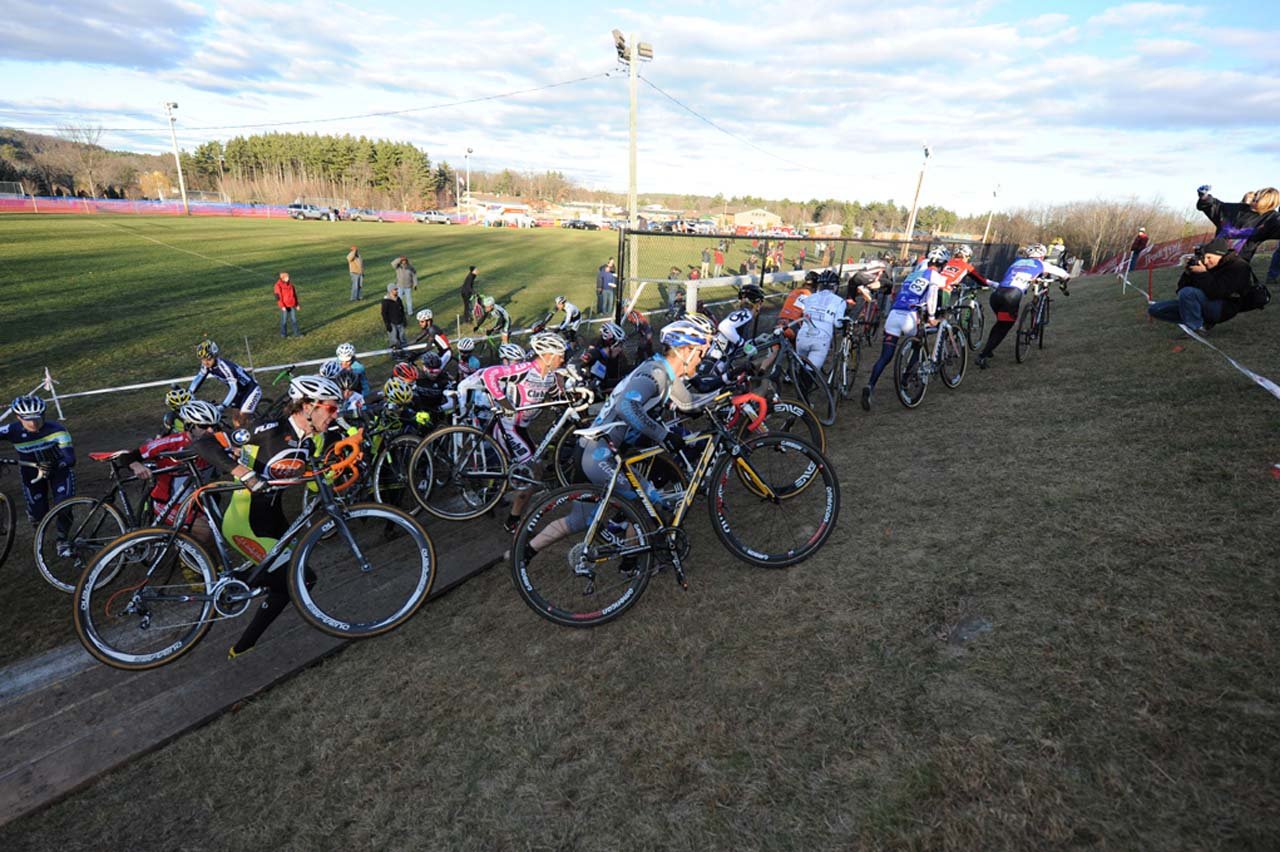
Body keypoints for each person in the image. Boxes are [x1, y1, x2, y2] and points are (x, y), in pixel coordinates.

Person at [192, 374, 342, 659]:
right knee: (300, 578)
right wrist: (244, 473)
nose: (335, 415)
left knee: (291, 582)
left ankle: (242, 646)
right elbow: (203, 445)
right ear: (308, 406)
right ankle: (227, 598)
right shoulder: (268, 429)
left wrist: (336, 469)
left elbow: (313, 484)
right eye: (332, 408)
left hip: (273, 523)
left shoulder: (313, 442)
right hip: (243, 522)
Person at [479, 332, 570, 532]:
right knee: (532, 471)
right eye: (560, 355)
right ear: (547, 355)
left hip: (521, 428)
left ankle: (493, 493)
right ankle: (513, 522)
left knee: (532, 468)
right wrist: (503, 402)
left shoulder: (551, 376)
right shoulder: (527, 369)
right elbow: (489, 374)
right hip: (507, 427)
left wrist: (571, 392)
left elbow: (560, 398)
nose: (563, 359)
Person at [861, 248, 949, 410]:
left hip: (894, 316)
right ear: (942, 265)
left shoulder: (913, 275)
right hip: (910, 316)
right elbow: (931, 297)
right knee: (918, 346)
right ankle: (905, 379)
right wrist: (931, 317)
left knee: (885, 357)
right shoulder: (934, 275)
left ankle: (870, 385)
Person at [122, 399, 218, 546]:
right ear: (190, 426)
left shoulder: (216, 440)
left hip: (195, 500)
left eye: (214, 426)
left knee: (219, 529)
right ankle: (189, 565)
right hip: (167, 502)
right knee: (205, 531)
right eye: (204, 426)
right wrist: (136, 466)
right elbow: (128, 456)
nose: (211, 430)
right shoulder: (171, 443)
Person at [975, 244, 1071, 369]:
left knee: (1000, 324)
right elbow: (1063, 274)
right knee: (1004, 327)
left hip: (997, 294)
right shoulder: (1042, 264)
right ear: (1042, 256)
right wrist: (1065, 280)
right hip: (1011, 295)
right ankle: (983, 355)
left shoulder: (1017, 262)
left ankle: (989, 348)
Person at [0, 395, 75, 554]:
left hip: (58, 471)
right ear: (18, 417)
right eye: (28, 419)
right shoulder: (11, 430)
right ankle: (36, 519)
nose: (33, 423)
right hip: (30, 472)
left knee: (64, 506)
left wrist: (56, 464)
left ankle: (63, 540)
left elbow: (70, 458)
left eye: (37, 418)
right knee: (39, 512)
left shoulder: (57, 430)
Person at [1147, 239, 1255, 334]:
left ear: (1220, 255)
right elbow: (1180, 289)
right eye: (1205, 257)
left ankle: (1196, 329)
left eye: (1209, 257)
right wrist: (1188, 273)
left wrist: (1203, 274)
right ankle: (1198, 321)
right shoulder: (1206, 265)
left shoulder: (1239, 266)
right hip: (1203, 302)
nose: (1206, 261)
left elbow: (1217, 292)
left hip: (1223, 307)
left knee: (1188, 293)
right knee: (1156, 309)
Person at [1195, 185, 1280, 262]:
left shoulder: (1271, 218)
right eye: (1257, 194)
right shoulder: (1237, 209)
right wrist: (1205, 197)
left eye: (1261, 196)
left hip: (1238, 262)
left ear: (1270, 202)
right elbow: (1217, 207)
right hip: (1213, 258)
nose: (1256, 196)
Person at [189, 339, 261, 426]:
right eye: (202, 359)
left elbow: (234, 388)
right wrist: (189, 393)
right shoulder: (206, 365)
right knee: (235, 420)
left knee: (242, 420)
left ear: (215, 356)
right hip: (239, 392)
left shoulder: (226, 368)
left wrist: (224, 405)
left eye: (208, 358)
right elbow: (199, 377)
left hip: (251, 390)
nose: (205, 362)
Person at [794, 272, 851, 369]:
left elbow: (800, 312)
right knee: (811, 371)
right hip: (821, 338)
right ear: (835, 286)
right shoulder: (840, 301)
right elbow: (838, 323)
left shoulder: (809, 297)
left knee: (800, 366)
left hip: (802, 335)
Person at [578, 321, 628, 390]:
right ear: (612, 345)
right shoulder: (594, 354)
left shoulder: (603, 361)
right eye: (619, 346)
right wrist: (581, 380)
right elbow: (575, 364)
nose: (620, 350)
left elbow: (604, 384)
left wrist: (625, 380)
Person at [273, 271, 302, 338]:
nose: (288, 278)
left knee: (294, 320)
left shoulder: (291, 285)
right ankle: (283, 334)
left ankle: (297, 333)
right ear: (282, 278)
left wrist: (297, 304)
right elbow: (278, 297)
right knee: (284, 321)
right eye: (287, 277)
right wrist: (282, 306)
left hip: (291, 304)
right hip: (284, 306)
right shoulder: (277, 285)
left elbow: (294, 295)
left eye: (288, 276)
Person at [382, 283, 407, 347]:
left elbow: (402, 309)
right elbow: (384, 314)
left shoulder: (398, 299)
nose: (397, 291)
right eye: (395, 290)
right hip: (392, 323)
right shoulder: (386, 302)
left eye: (397, 289)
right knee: (394, 340)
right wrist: (387, 324)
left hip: (400, 322)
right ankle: (394, 354)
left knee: (402, 338)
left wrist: (404, 319)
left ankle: (405, 351)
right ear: (390, 291)